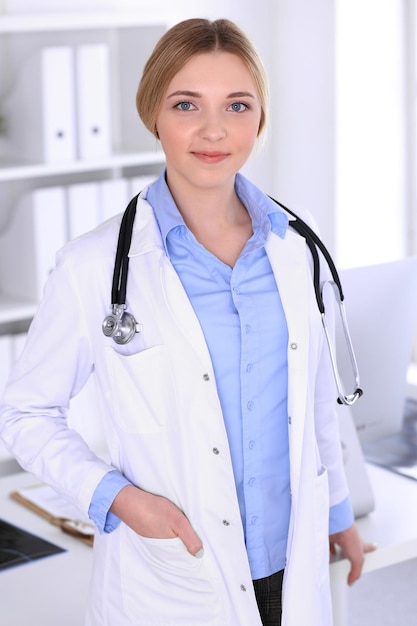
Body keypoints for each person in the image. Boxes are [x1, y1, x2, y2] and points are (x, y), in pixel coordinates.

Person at [0, 17, 375, 626]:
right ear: (154, 114)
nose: (212, 129)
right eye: (185, 104)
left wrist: (337, 517)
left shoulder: (294, 244)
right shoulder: (94, 266)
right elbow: (24, 413)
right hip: (176, 580)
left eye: (236, 104)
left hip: (292, 568)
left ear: (260, 118)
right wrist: (120, 500)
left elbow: (313, 402)